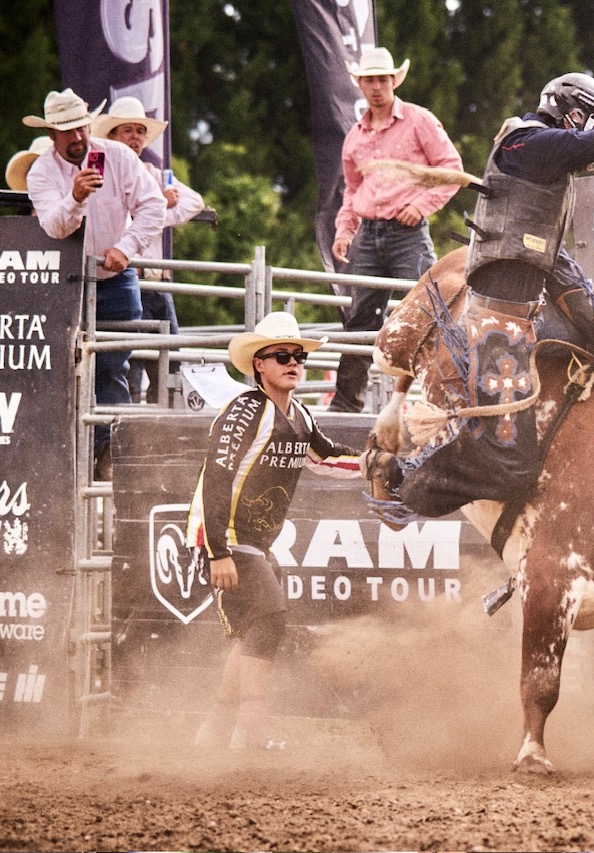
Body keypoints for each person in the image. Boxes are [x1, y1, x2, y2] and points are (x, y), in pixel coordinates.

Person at [371, 72, 594, 518]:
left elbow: (548, 257)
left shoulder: (537, 156)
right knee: (511, 467)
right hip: (496, 320)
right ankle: (400, 476)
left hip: (528, 304)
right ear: (573, 112)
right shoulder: (531, 143)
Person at [188, 312, 362, 750]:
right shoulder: (244, 410)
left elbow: (328, 458)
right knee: (270, 616)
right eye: (281, 355)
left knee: (257, 628)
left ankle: (215, 730)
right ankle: (252, 730)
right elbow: (216, 477)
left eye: (298, 356)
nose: (293, 363)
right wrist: (217, 551)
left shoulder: (299, 414)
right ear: (258, 366)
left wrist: (383, 464)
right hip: (222, 536)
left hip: (251, 543)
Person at [24, 89, 166, 480]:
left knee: (111, 367)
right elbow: (54, 226)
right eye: (66, 132)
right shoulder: (41, 172)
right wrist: (75, 197)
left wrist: (127, 246)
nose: (76, 138)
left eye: (80, 128)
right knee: (61, 370)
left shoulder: (117, 156)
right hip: (65, 283)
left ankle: (108, 458)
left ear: (89, 125)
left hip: (112, 277)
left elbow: (153, 205)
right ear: (53, 135)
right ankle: (70, 461)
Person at [329, 46, 464, 413]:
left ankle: (443, 400)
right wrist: (345, 230)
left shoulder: (419, 121)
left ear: (394, 82)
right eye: (370, 80)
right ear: (360, 84)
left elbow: (451, 169)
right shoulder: (354, 138)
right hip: (368, 235)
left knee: (431, 311)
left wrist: (420, 205)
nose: (376, 87)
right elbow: (352, 190)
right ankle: (345, 405)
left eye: (383, 79)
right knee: (360, 318)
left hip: (408, 234)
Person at [92, 96, 206, 403]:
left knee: (168, 360)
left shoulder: (154, 174)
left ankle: (157, 427)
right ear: (112, 137)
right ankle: (126, 431)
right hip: (125, 280)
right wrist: (153, 210)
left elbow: (194, 201)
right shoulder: (106, 172)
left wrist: (154, 213)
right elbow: (107, 219)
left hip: (155, 282)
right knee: (125, 363)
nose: (135, 138)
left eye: (139, 131)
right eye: (127, 131)